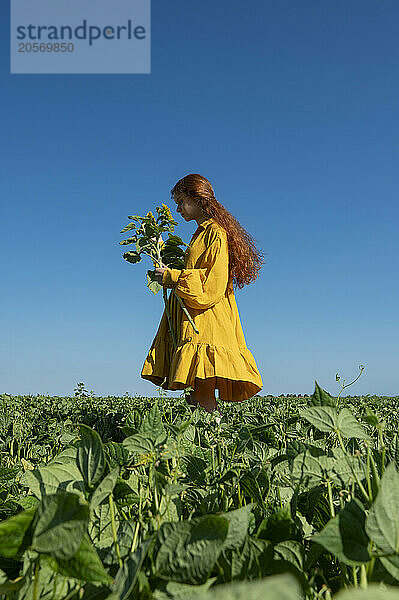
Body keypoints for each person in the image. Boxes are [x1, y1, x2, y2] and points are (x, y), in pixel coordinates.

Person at [141, 173, 264, 414]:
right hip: (199, 317)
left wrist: (172, 276)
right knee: (198, 392)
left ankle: (213, 442)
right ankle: (207, 441)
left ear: (198, 199)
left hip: (208, 319)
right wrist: (161, 252)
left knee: (204, 391)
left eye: (181, 202)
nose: (177, 209)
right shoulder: (201, 233)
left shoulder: (215, 233)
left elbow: (211, 285)